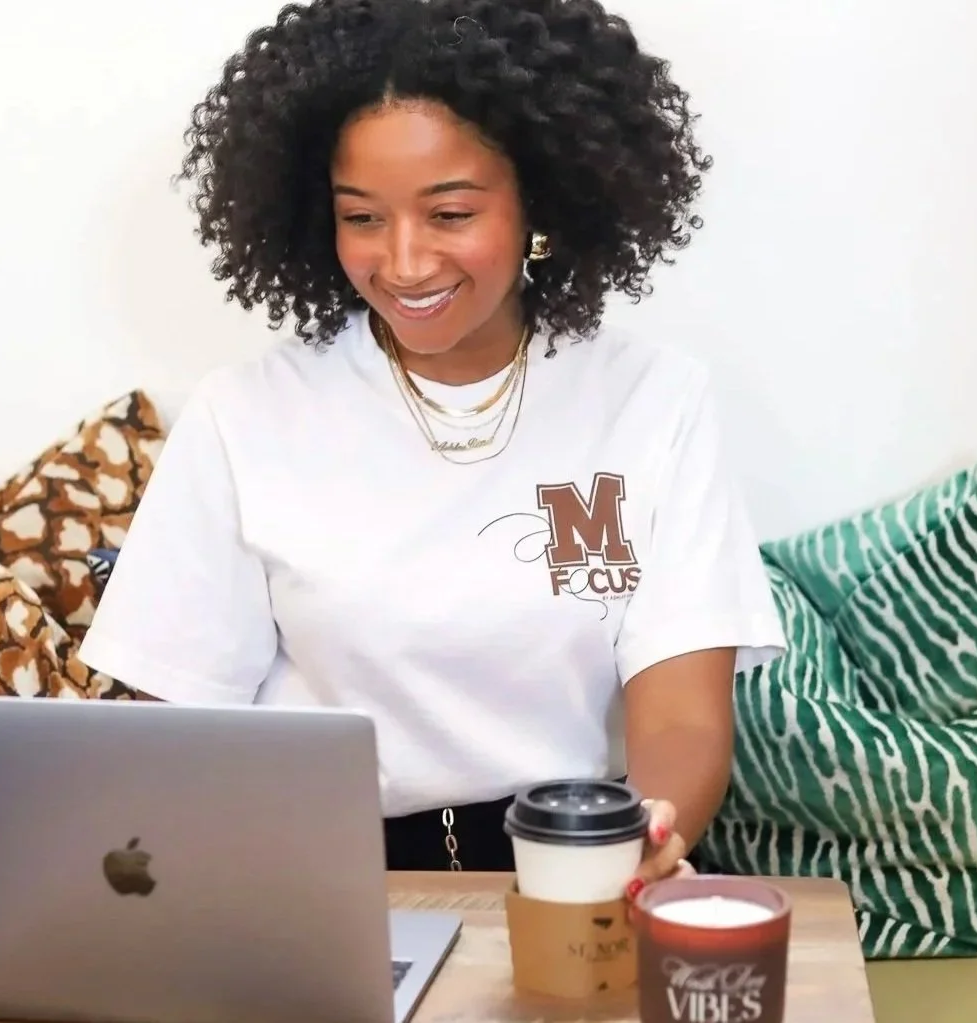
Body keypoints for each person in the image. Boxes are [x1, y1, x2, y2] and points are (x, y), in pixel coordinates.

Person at [79, 0, 785, 898]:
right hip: (330, 881)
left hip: (586, 858)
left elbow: (683, 714)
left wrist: (639, 836)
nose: (404, 263)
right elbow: (182, 736)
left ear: (543, 201)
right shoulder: (245, 416)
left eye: (449, 213)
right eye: (362, 218)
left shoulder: (651, 401)